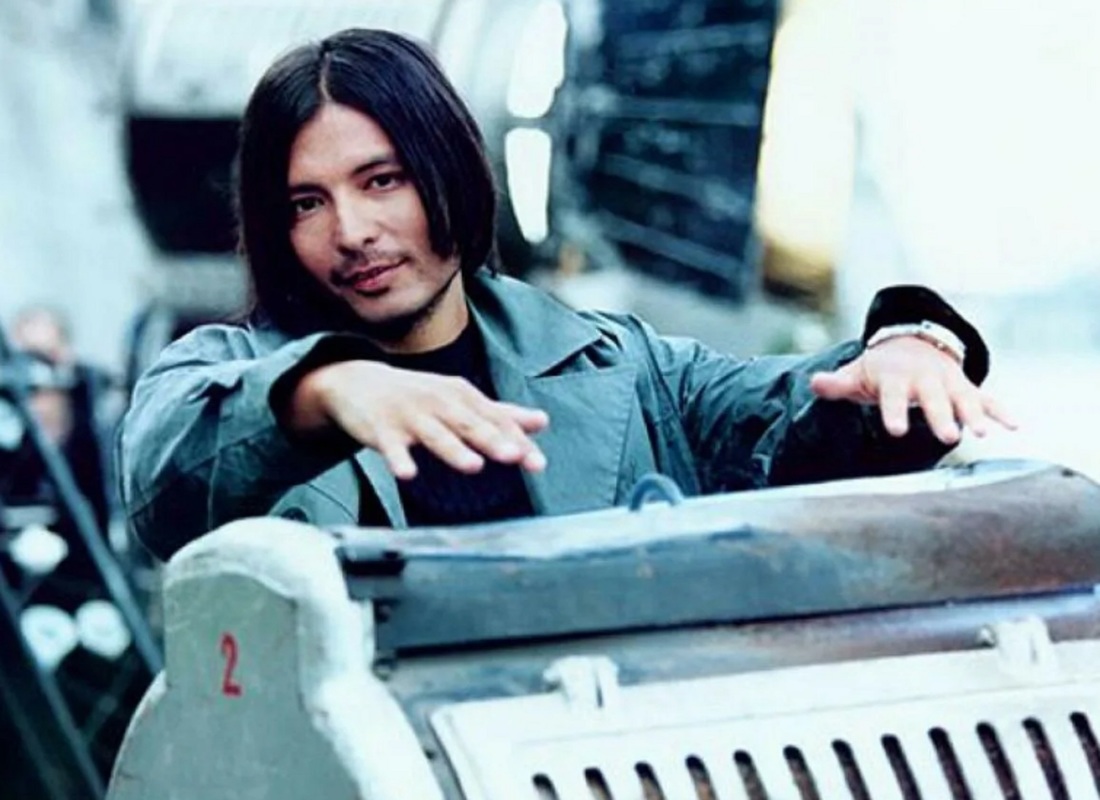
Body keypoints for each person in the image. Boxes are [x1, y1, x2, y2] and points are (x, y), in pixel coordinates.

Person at [118, 28, 1014, 562]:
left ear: (449, 170)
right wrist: (324, 392)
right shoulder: (226, 372)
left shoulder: (623, 364)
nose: (351, 230)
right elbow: (165, 479)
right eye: (306, 204)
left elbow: (799, 414)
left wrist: (908, 348)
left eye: (382, 181)